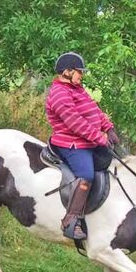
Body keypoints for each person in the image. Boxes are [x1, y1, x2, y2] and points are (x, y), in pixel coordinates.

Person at [45, 52, 122, 240]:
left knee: (111, 160)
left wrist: (108, 128)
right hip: (71, 143)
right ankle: (70, 221)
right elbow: (75, 122)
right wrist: (100, 137)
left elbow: (94, 110)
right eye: (79, 72)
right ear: (66, 72)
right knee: (86, 175)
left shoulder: (77, 88)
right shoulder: (59, 94)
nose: (82, 75)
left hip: (87, 141)